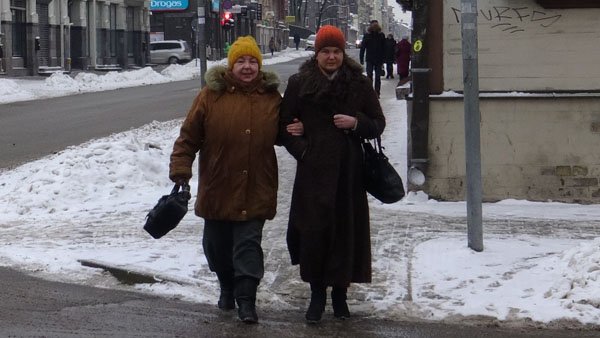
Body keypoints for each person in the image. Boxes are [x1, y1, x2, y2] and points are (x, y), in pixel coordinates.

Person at [169, 36, 300, 324]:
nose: (247, 66)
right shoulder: (209, 96)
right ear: (231, 65)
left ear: (260, 66)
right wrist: (181, 170)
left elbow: (283, 133)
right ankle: (227, 286)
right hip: (218, 183)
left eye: (253, 61)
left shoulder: (271, 98)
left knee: (248, 245)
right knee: (215, 246)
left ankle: (246, 301)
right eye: (241, 61)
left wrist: (298, 130)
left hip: (257, 184)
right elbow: (188, 137)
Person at [278, 25, 386, 324]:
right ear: (317, 54)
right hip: (312, 174)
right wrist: (302, 150)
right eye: (325, 51)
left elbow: (378, 122)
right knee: (314, 233)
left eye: (336, 51)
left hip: (349, 174)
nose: (331, 57)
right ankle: (316, 295)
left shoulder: (359, 84)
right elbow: (284, 126)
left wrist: (355, 122)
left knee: (345, 233)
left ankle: (340, 295)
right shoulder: (300, 83)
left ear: (343, 53)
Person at [359, 20, 386, 98]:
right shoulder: (367, 35)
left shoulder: (381, 35)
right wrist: (361, 58)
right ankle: (371, 93)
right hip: (371, 59)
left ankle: (376, 93)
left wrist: (383, 59)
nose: (374, 26)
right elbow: (363, 47)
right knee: (370, 75)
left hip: (377, 59)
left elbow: (384, 47)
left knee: (376, 77)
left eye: (375, 25)